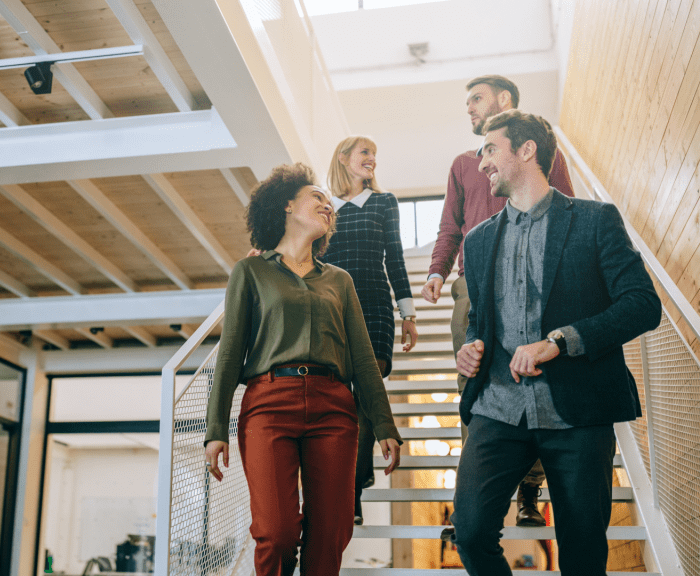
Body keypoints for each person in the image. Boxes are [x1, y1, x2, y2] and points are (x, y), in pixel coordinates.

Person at [449, 109, 660, 575]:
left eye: (490, 150)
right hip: (497, 407)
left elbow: (643, 305)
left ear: (527, 151)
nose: (481, 163)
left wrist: (560, 342)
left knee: (583, 553)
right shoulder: (478, 241)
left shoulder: (595, 220)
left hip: (579, 410)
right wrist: (471, 347)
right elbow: (480, 322)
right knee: (470, 533)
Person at [204, 163, 403, 576]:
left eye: (331, 203)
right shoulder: (251, 272)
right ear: (287, 205)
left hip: (334, 408)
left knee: (330, 536)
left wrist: (384, 425)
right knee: (276, 533)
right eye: (318, 198)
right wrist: (214, 429)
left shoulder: (340, 281)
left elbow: (364, 359)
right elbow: (229, 354)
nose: (328, 205)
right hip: (268, 404)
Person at [422, 74, 575, 526]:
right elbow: (450, 224)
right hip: (474, 287)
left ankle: (529, 493)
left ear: (503, 100)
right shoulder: (462, 165)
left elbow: (565, 208)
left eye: (476, 99)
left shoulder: (543, 154)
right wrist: (436, 269)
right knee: (474, 387)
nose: (468, 108)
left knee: (535, 383)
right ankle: (470, 497)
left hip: (537, 283)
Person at [322, 136, 417, 525]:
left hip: (376, 308)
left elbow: (394, 257)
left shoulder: (384, 202)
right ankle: (343, 486)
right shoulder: (324, 208)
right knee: (341, 402)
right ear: (343, 158)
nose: (372, 160)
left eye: (374, 154)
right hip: (332, 310)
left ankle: (352, 492)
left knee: (363, 402)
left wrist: (408, 313)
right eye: (365, 153)